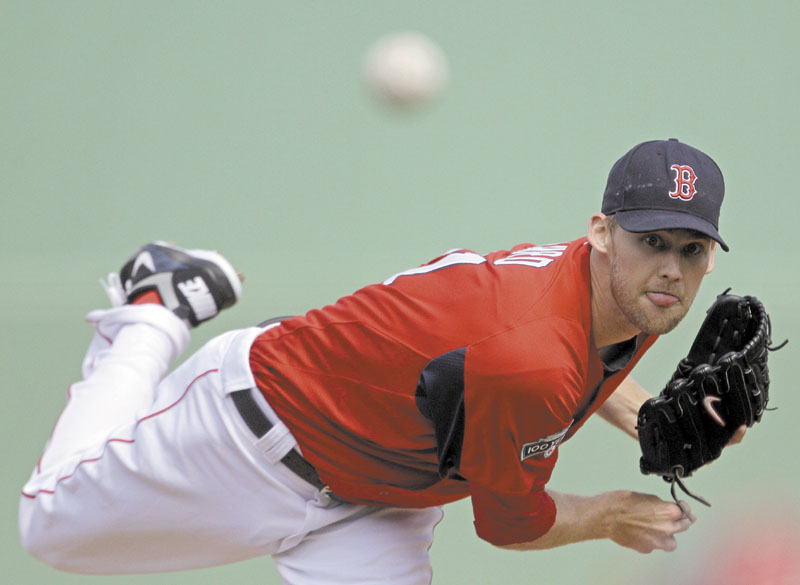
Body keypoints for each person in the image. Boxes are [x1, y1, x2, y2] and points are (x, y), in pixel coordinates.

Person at [20, 138, 740, 585]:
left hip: (384, 503)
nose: (672, 268)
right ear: (602, 233)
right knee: (48, 527)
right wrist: (613, 512)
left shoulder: (624, 290)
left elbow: (583, 363)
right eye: (654, 240)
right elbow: (510, 524)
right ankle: (153, 306)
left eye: (692, 249)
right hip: (255, 438)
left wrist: (648, 416)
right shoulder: (534, 354)